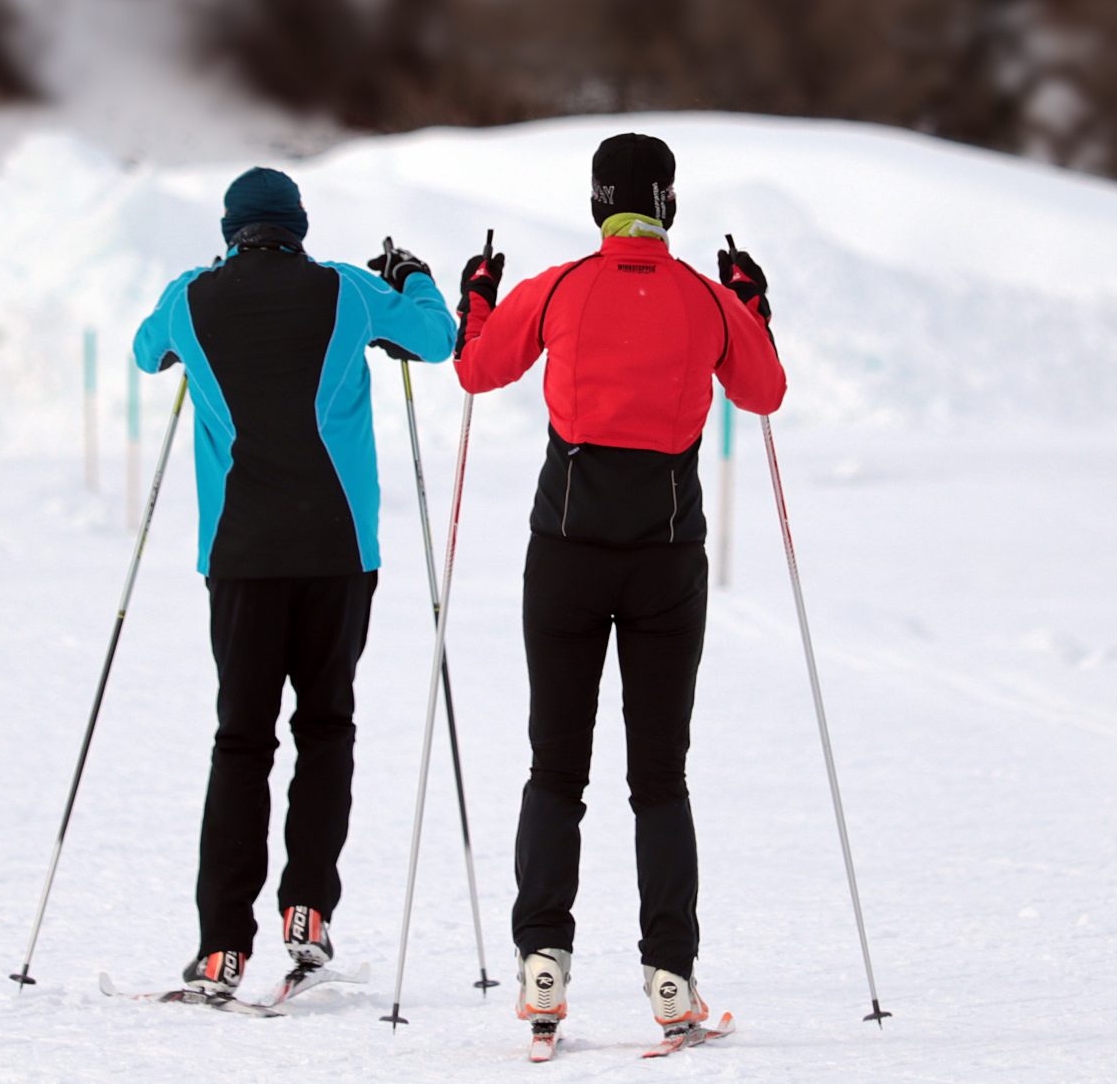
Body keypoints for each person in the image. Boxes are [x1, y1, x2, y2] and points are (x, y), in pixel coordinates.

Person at [450, 133, 784, 1046]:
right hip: (667, 557)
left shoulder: (557, 288)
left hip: (563, 550)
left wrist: (477, 300)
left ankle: (543, 966)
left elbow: (477, 368)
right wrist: (753, 306)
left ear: (598, 203)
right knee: (659, 776)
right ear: (669, 203)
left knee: (555, 767)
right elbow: (764, 392)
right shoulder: (709, 302)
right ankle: (671, 976)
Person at [132, 166, 458, 1000]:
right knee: (326, 725)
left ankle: (219, 947)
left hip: (239, 554)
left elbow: (144, 351)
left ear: (231, 229)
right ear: (300, 227)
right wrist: (411, 273)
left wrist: (188, 280)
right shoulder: (346, 291)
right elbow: (436, 338)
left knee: (240, 738)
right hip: (338, 550)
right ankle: (308, 906)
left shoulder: (193, 298)